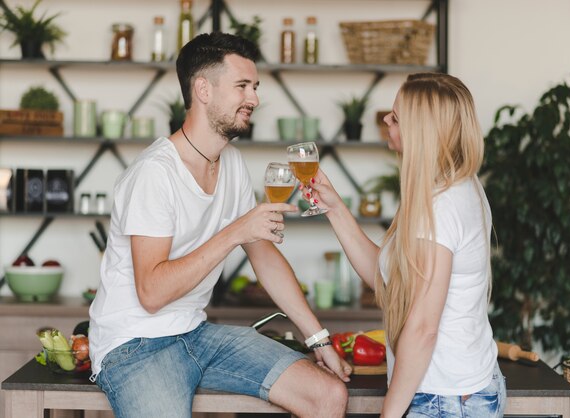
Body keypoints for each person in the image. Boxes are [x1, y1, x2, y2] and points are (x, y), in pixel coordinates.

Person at [88, 32, 351, 418]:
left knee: (328, 396)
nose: (255, 99)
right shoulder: (153, 174)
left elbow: (265, 258)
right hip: (134, 344)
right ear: (203, 89)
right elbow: (152, 292)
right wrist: (236, 231)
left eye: (256, 87)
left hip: (197, 333)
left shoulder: (232, 166)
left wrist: (318, 337)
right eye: (243, 86)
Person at [309, 72, 506, 417]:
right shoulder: (449, 186)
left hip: (444, 399)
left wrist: (390, 413)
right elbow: (385, 277)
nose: (385, 119)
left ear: (421, 133)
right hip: (452, 389)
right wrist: (335, 208)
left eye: (396, 117)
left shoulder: (442, 207)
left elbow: (423, 327)